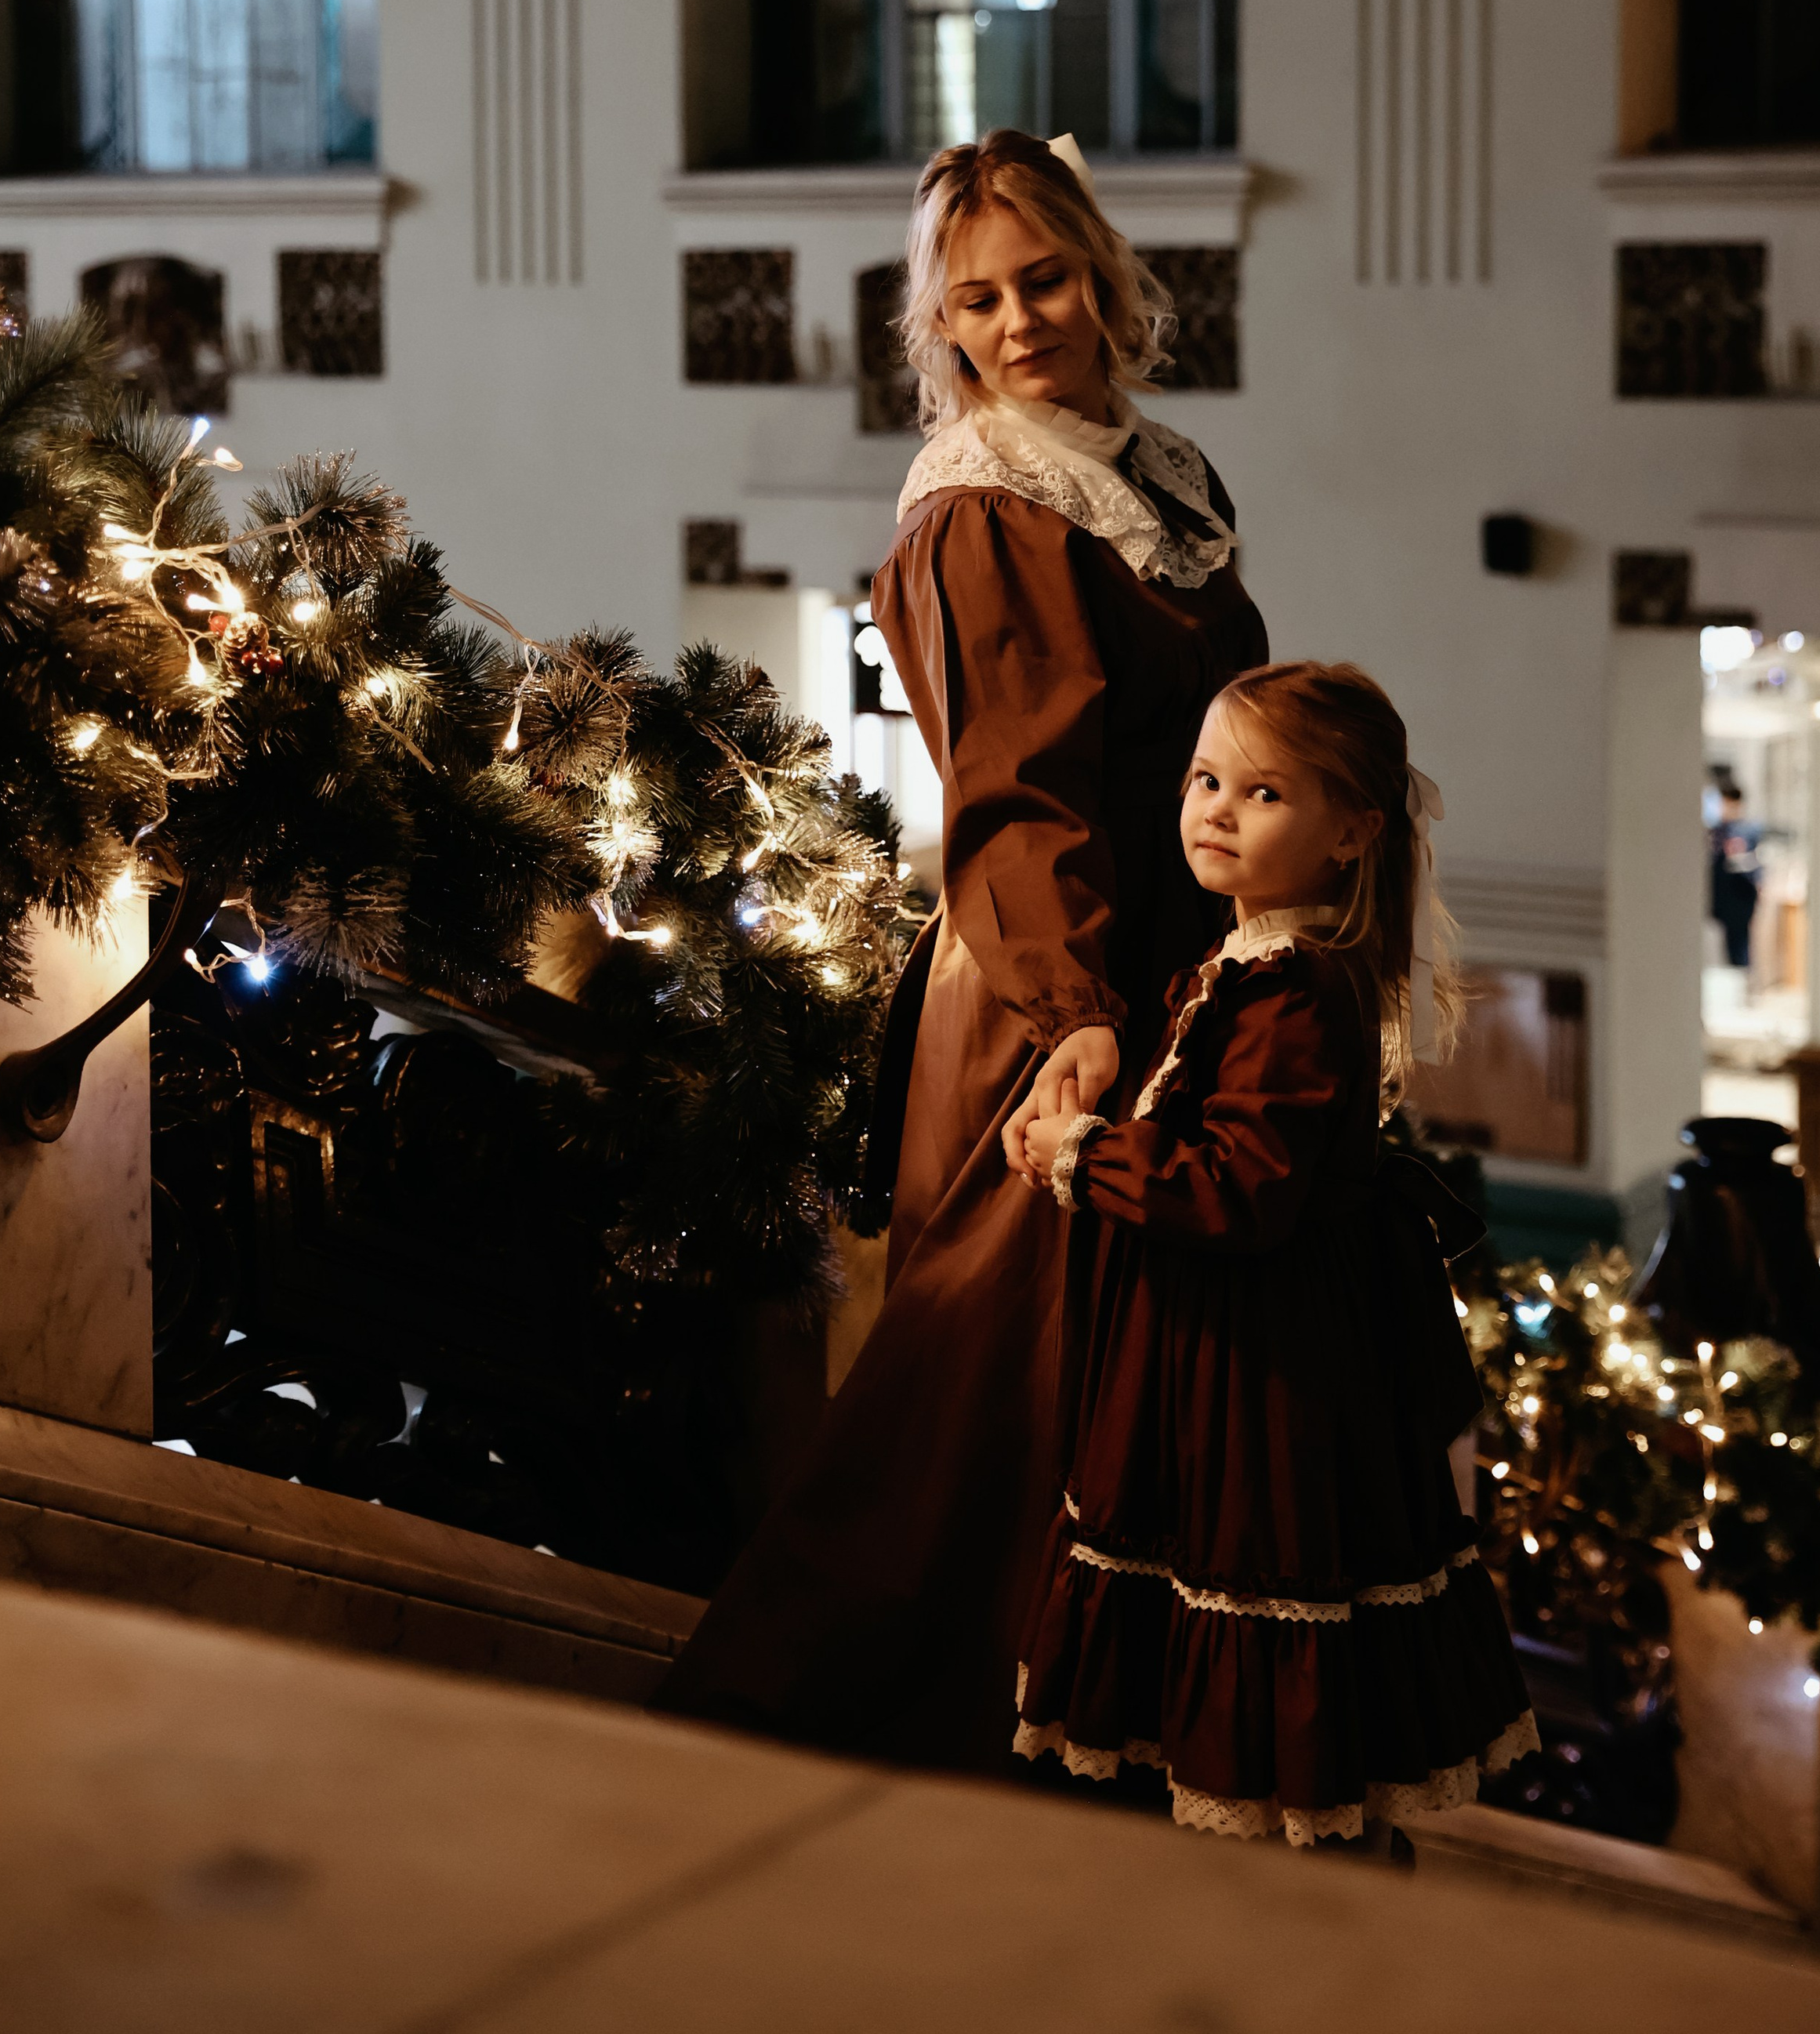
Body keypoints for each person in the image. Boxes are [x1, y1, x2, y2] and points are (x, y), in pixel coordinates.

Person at [657, 132, 1268, 1771]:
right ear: (941, 325)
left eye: (1045, 279)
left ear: (1105, 275)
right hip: (1047, 983)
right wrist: (1075, 1016)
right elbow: (1018, 788)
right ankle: (826, 1732)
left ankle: (1070, 1734)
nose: (1016, 323)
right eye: (977, 299)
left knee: (1098, 1387)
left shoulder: (1147, 470)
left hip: (1166, 972)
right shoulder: (989, 508)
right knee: (984, 1395)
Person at [1010, 660, 1536, 1850]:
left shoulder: (1299, 989)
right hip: (1213, 1340)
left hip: (1264, 1360)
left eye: (1263, 794)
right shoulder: (1245, 962)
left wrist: (1076, 1160)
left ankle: (1291, 1853)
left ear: (1352, 833)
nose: (1214, 810)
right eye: (1206, 780)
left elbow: (1239, 1186)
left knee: (1262, 1571)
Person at [1708, 781, 1761, 972]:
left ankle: (1742, 982)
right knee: (1723, 946)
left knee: (1740, 945)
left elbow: (1754, 864)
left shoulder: (1749, 830)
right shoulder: (1717, 831)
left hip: (1741, 895)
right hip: (1722, 896)